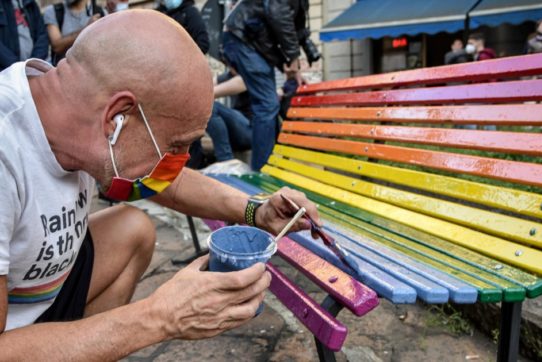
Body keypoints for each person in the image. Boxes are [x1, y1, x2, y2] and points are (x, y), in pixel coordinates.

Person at [0, 10, 320, 359]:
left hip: (39, 288)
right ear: (116, 118)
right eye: (175, 146)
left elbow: (164, 182)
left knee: (132, 229)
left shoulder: (76, 110)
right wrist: (159, 318)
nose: (178, 161)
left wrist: (255, 212)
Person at [222, 0, 312, 171]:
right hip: (245, 37)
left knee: (266, 104)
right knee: (267, 104)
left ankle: (265, 166)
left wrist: (296, 71)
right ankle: (262, 170)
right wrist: (293, 57)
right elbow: (279, 17)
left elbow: (290, 29)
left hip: (247, 38)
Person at [43, 0, 104, 65]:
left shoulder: (100, 12)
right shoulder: (54, 11)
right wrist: (87, 29)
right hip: (64, 71)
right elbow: (57, 46)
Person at [0, 0, 49, 71]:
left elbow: (42, 35)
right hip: (6, 73)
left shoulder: (30, 3)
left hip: (32, 72)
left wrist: (33, 64)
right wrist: (18, 67)